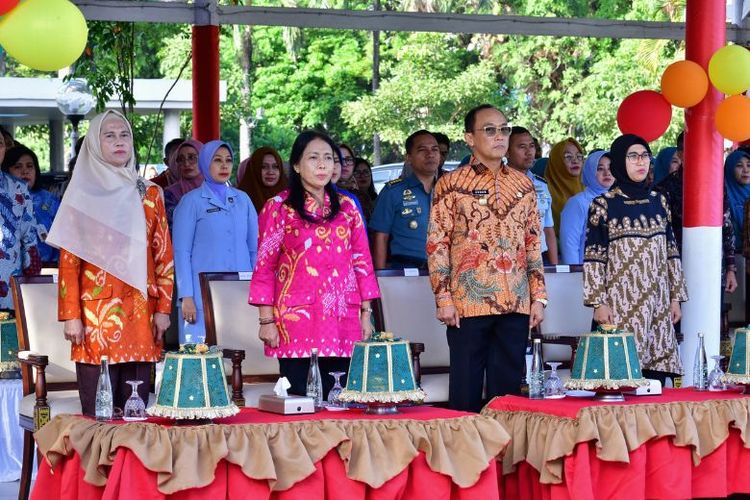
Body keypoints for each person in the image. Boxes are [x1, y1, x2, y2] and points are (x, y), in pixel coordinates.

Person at [47, 110, 174, 416]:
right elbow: (69, 263)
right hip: (95, 318)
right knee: (98, 413)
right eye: (109, 135)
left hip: (142, 312)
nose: (119, 141)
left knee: (136, 411)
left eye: (125, 135)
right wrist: (71, 316)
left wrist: (164, 310)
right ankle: (98, 464)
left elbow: (163, 256)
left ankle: (132, 466)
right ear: (94, 144)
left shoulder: (150, 193)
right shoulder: (80, 195)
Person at [427, 104, 547, 412]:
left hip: (516, 301)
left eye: (504, 129)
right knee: (465, 388)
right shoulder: (451, 184)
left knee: (507, 395)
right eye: (490, 130)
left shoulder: (523, 184)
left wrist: (539, 297)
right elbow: (437, 244)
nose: (499, 136)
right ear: (469, 138)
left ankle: (504, 458)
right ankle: (464, 457)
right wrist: (444, 299)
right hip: (468, 303)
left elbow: (533, 241)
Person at [248, 130, 379, 398]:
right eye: (314, 158)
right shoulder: (278, 207)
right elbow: (265, 267)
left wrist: (366, 314)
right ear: (296, 165)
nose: (322, 165)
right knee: (300, 401)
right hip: (295, 320)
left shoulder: (347, 207)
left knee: (341, 398)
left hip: (343, 317)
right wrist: (266, 320)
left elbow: (362, 261)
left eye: (329, 158)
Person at [584, 134, 687, 384]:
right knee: (620, 376)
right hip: (620, 303)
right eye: (633, 156)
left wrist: (675, 298)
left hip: (658, 302)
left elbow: (671, 250)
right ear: (620, 161)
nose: (640, 162)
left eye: (644, 156)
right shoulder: (604, 204)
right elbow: (594, 258)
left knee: (655, 379)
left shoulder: (659, 200)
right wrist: (598, 302)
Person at [173, 140, 258, 343]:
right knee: (201, 358)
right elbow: (181, 252)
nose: (224, 165)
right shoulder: (191, 201)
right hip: (201, 296)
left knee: (238, 358)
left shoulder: (243, 199)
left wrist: (256, 288)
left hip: (239, 292)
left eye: (228, 160)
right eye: (217, 160)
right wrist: (186, 296)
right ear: (204, 164)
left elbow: (254, 249)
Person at [658, 144, 737, 294]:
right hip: (676, 272)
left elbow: (726, 225)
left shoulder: (716, 184)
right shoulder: (665, 188)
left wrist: (731, 268)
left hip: (713, 269)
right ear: (681, 155)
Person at [370, 130, 439, 270]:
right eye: (422, 150)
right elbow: (381, 237)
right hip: (406, 270)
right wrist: (382, 278)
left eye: (434, 149)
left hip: (443, 270)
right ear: (408, 157)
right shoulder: (393, 192)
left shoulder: (449, 191)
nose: (430, 154)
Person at [0, 132, 40, 310]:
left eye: (0, 144)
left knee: (8, 336)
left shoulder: (18, 187)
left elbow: (29, 238)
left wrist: (31, 268)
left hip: (8, 287)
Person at [506, 126, 558, 265]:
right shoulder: (497, 185)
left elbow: (548, 229)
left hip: (541, 258)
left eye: (531, 146)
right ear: (507, 152)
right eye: (522, 147)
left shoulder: (541, 185)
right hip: (510, 260)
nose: (529, 152)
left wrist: (554, 268)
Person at [2, 145, 61, 265]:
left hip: (49, 268)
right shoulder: (3, 199)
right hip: (11, 268)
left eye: (30, 166)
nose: (25, 171)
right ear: (6, 172)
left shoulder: (49, 200)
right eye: (18, 167)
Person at [560, 151, 613, 265]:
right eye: (600, 168)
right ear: (590, 172)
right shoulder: (578, 203)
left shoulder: (616, 200)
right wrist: (575, 275)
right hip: (586, 274)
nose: (607, 173)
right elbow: (569, 244)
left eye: (610, 168)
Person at [545, 138, 585, 237]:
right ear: (557, 161)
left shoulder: (590, 188)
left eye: (579, 156)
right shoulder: (543, 193)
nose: (575, 161)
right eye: (568, 157)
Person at [164, 139, 204, 227]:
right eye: (180, 159)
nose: (186, 163)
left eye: (192, 157)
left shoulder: (218, 190)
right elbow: (173, 228)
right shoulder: (170, 194)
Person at [237, 146, 287, 214]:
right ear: (255, 169)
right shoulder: (240, 200)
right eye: (264, 167)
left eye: (275, 167)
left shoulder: (291, 196)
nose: (270, 172)